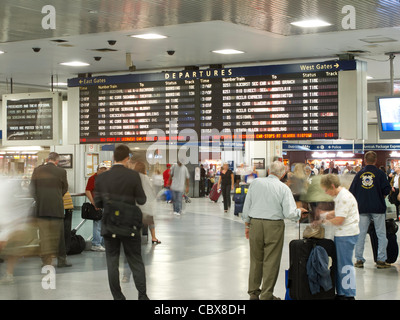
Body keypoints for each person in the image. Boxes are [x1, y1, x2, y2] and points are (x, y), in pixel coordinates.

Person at [242, 161, 308, 300]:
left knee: (255, 259)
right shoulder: (283, 188)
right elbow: (289, 212)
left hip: (255, 224)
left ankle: (253, 293)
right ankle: (266, 295)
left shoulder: (255, 183)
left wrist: (247, 225)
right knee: (271, 260)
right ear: (283, 174)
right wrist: (299, 212)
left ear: (268, 171)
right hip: (274, 226)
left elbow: (247, 205)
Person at [94, 144, 149, 300]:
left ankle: (118, 296)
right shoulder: (133, 176)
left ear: (113, 158)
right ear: (127, 158)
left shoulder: (102, 177)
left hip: (110, 224)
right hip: (130, 225)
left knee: (112, 261)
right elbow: (142, 200)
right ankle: (142, 296)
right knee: (135, 260)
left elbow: (98, 203)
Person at [317, 174, 360, 300]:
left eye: (326, 190)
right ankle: (341, 292)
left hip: (346, 234)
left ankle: (349, 294)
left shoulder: (344, 197)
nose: (326, 193)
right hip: (342, 234)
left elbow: (340, 219)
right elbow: (338, 212)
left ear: (332, 185)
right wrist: (324, 215)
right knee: (339, 264)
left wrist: (324, 222)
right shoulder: (340, 195)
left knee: (345, 265)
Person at [349, 151, 392, 269]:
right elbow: (387, 190)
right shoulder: (380, 173)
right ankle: (381, 260)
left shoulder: (359, 174)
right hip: (377, 207)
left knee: (361, 234)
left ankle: (359, 260)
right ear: (376, 160)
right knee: (381, 234)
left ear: (364, 160)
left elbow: (351, 191)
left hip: (362, 208)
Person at [30, 152, 70, 268]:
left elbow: (32, 189)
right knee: (59, 237)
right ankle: (62, 260)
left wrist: (40, 199)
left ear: (47, 159)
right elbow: (64, 188)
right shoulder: (61, 172)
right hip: (56, 209)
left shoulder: (37, 170)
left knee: (44, 236)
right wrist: (57, 197)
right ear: (57, 161)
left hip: (42, 209)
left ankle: (46, 262)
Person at [85, 162, 108, 252]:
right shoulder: (92, 178)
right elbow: (87, 191)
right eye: (101, 169)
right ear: (97, 170)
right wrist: (93, 202)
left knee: (103, 224)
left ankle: (101, 243)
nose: (102, 171)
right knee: (97, 224)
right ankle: (96, 244)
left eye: (104, 170)